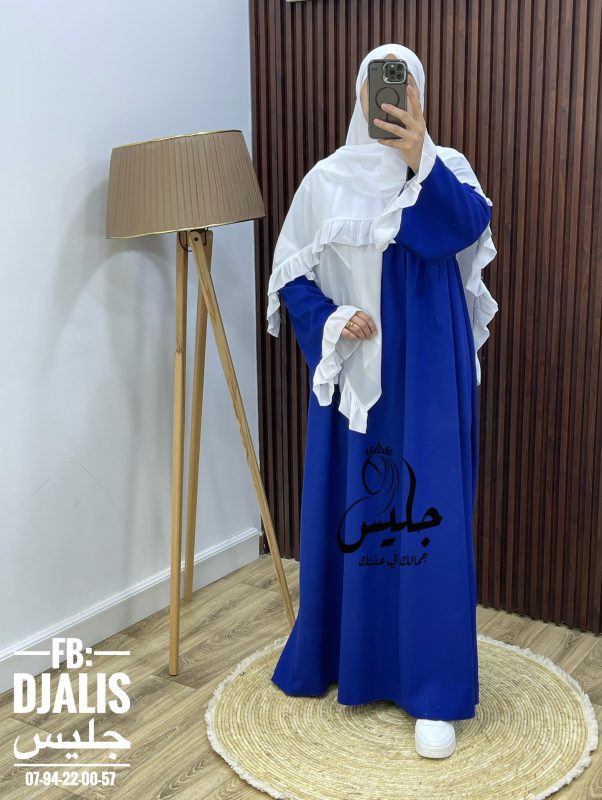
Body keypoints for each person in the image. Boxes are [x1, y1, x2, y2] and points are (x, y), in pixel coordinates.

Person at [265, 43, 498, 760]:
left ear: (417, 94)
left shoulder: (446, 168)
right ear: (360, 95)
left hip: (428, 370)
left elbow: (460, 230)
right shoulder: (324, 182)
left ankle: (435, 688)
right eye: (377, 85)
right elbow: (292, 277)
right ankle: (347, 657)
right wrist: (332, 320)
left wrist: (419, 155)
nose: (387, 98)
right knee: (356, 512)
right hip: (356, 372)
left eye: (401, 85)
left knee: (430, 516)